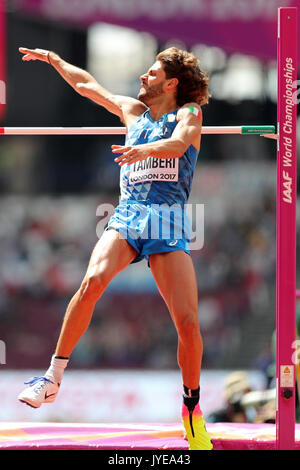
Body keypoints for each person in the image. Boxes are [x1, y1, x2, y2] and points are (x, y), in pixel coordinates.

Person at [17, 45, 212, 451]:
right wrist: (56, 61)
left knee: (189, 324)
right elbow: (88, 85)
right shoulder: (133, 113)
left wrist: (143, 150)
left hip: (168, 217)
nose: (143, 77)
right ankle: (51, 379)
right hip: (128, 214)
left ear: (172, 83)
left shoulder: (188, 113)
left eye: (152, 72)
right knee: (92, 281)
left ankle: (191, 409)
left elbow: (179, 145)